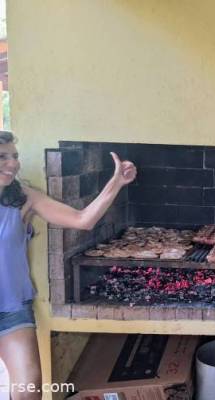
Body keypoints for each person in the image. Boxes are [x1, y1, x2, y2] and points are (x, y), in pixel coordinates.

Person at [0, 131, 137, 400]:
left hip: (11, 309)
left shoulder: (24, 198)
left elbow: (82, 219)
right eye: (2, 157)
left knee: (29, 387)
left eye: (15, 156)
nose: (13, 164)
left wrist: (116, 182)